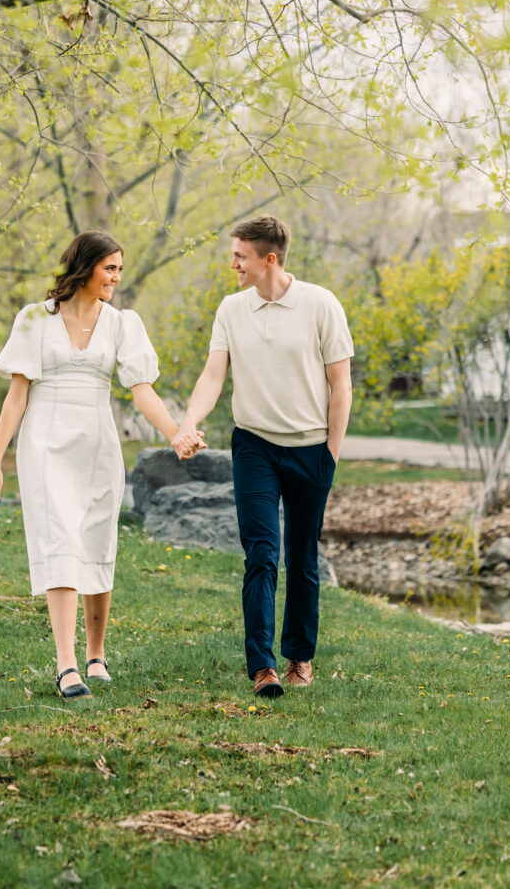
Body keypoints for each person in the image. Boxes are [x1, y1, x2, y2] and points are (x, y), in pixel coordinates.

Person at [0, 231, 202, 701]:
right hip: (45, 445)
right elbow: (17, 394)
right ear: (84, 268)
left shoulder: (123, 324)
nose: (116, 278)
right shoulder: (34, 320)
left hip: (99, 445)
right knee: (59, 540)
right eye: (110, 268)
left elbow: (141, 390)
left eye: (120, 269)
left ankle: (96, 654)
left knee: (97, 543)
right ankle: (66, 666)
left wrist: (176, 433)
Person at [173, 216, 353, 698]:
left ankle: (300, 656)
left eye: (240, 256)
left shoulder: (320, 304)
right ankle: (262, 666)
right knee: (261, 553)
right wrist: (189, 422)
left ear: (268, 259)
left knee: (301, 556)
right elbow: (213, 375)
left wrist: (331, 452)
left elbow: (341, 384)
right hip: (254, 444)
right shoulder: (232, 310)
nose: (233, 263)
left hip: (311, 447)